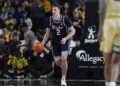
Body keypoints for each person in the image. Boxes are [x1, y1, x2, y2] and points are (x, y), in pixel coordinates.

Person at [42, 3, 75, 86]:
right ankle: (64, 68)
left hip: (64, 41)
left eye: (55, 9)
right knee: (58, 63)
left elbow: (73, 31)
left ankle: (63, 79)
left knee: (64, 58)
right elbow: (47, 34)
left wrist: (66, 38)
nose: (53, 11)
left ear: (59, 10)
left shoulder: (65, 19)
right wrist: (42, 43)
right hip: (54, 43)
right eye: (52, 10)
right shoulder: (49, 20)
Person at [98, 0, 120, 86]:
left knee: (109, 61)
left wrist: (100, 28)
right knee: (115, 61)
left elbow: (102, 5)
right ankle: (111, 83)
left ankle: (110, 84)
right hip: (115, 23)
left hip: (109, 24)